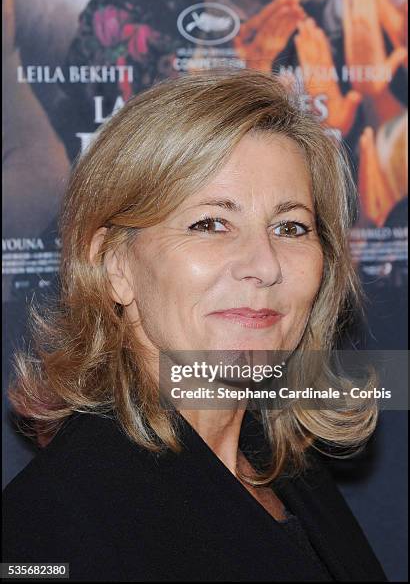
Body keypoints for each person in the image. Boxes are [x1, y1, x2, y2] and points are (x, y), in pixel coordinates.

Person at [3, 69, 387, 582]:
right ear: (115, 265)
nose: (266, 264)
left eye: (290, 226)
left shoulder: (284, 469)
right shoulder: (54, 527)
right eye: (211, 223)